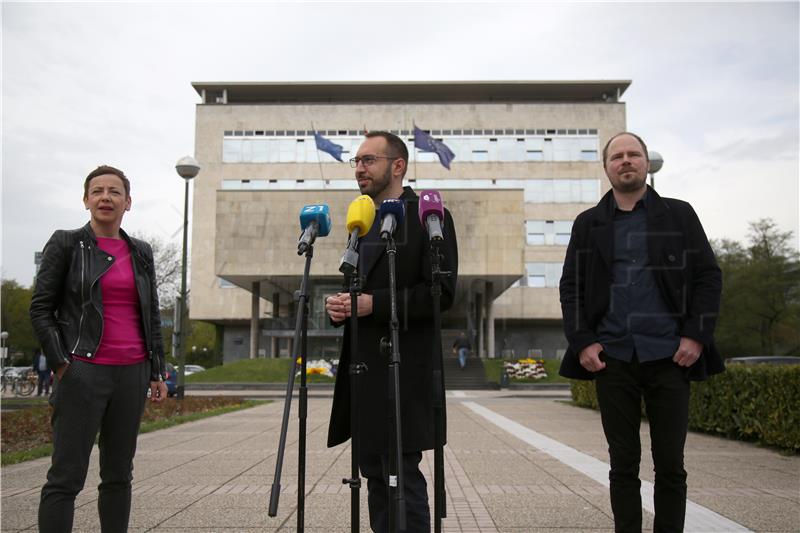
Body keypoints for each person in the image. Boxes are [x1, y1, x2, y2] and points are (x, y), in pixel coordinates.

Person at [559, 132, 723, 533]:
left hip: (670, 355)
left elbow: (707, 276)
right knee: (622, 464)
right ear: (607, 167)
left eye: (634, 154)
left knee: (671, 464)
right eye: (618, 156)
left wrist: (696, 335)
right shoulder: (588, 224)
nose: (626, 161)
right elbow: (571, 287)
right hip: (612, 357)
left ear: (646, 163)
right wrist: (582, 342)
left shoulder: (679, 215)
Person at [325, 131, 458, 533]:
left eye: (369, 160)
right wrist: (342, 307)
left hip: (405, 370)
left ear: (397, 165)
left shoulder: (428, 217)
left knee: (401, 475)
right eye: (357, 161)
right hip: (363, 371)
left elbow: (442, 294)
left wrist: (373, 304)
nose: (360, 168)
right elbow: (359, 289)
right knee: (374, 479)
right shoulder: (360, 220)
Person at [30, 165, 168, 533]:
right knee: (66, 475)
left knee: (119, 474)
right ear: (86, 200)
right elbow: (40, 308)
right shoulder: (65, 243)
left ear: (128, 202)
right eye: (97, 191)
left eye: (114, 191)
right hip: (82, 370)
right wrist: (61, 364)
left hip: (132, 371)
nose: (105, 197)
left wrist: (157, 369)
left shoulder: (140, 251)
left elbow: (150, 312)